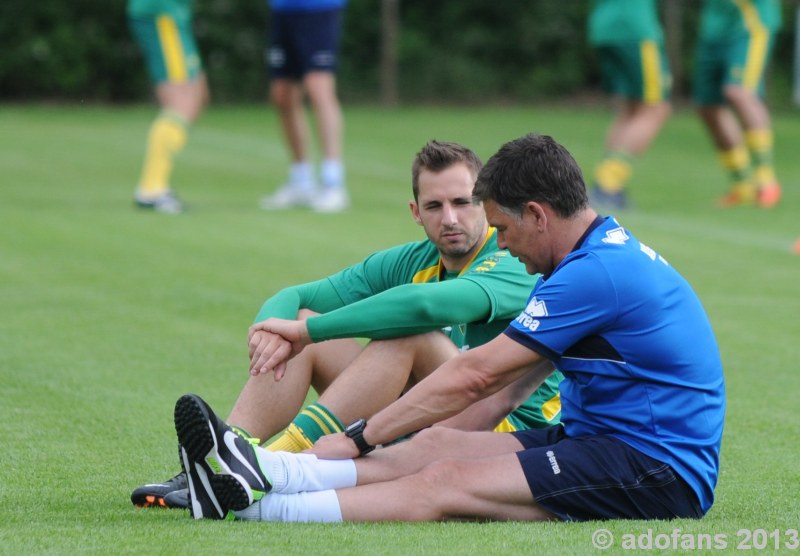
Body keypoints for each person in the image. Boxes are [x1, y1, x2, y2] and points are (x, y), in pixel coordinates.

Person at [172, 133, 726, 523]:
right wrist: (432, 438)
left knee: (443, 483)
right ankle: (262, 469)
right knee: (436, 446)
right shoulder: (588, 258)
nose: (500, 242)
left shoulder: (592, 274)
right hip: (596, 441)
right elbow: (506, 389)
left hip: (655, 469)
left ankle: (258, 505)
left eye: (503, 227)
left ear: (538, 214)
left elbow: (477, 375)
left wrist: (362, 436)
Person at [131, 140, 563, 509]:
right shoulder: (413, 259)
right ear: (416, 211)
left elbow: (425, 307)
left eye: (462, 202)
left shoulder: (511, 258)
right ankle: (223, 459)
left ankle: (266, 466)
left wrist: (307, 333)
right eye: (434, 206)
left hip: (501, 434)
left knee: (406, 334)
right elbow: (299, 298)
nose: (449, 218)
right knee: (300, 323)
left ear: (483, 202)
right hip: (425, 416)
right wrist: (271, 327)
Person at [259, 0, 349, 213]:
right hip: (283, 9)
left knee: (318, 87)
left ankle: (333, 183)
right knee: (282, 94)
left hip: (319, 9)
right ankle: (301, 181)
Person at [694, 0, 782, 208]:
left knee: (739, 92)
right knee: (708, 107)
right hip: (713, 29)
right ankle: (742, 184)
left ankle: (766, 179)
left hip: (748, 21)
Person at [587, 0, 672, 210]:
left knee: (630, 110)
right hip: (634, 26)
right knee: (656, 109)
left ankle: (608, 185)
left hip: (604, 26)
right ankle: (607, 184)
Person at [127, 0, 209, 214]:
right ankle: (151, 190)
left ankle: (155, 186)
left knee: (198, 96)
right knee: (181, 103)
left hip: (173, 13)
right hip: (162, 12)